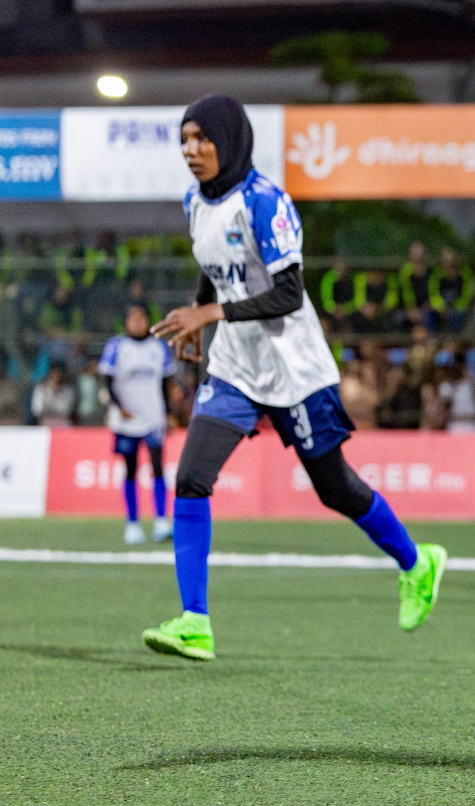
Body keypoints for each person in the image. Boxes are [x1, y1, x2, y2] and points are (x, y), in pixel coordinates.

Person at [146, 94, 447, 662]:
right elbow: (214, 273)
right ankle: (194, 622)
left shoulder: (267, 201)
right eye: (185, 139)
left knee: (334, 488)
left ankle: (416, 561)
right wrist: (197, 311)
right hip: (235, 365)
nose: (192, 150)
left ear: (231, 141)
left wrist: (208, 315)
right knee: (190, 477)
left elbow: (287, 294)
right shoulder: (194, 200)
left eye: (203, 138)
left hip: (295, 367)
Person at [98, 303, 174, 544]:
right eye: (133, 318)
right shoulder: (117, 347)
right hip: (126, 421)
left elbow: (165, 384)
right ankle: (132, 523)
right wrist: (119, 407)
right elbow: (108, 381)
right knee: (130, 469)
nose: (138, 322)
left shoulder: (159, 347)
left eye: (142, 317)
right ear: (126, 322)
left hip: (153, 418)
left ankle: (161, 520)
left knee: (157, 466)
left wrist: (168, 413)